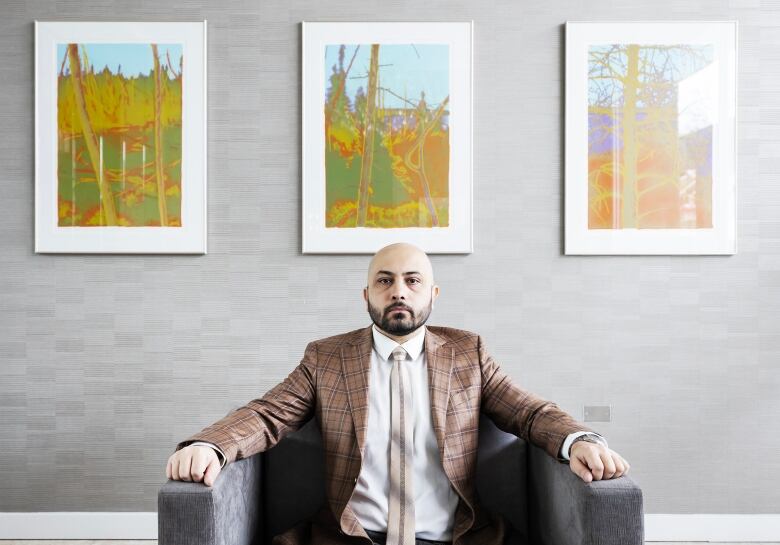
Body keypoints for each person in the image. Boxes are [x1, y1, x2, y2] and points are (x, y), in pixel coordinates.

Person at [166, 242, 630, 545]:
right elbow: (267, 414)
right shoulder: (325, 357)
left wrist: (578, 440)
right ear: (366, 293)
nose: (399, 291)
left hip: (455, 537)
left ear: (433, 293)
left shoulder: (469, 352)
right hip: (351, 537)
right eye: (385, 280)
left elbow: (528, 413)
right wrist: (210, 445)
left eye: (413, 280)